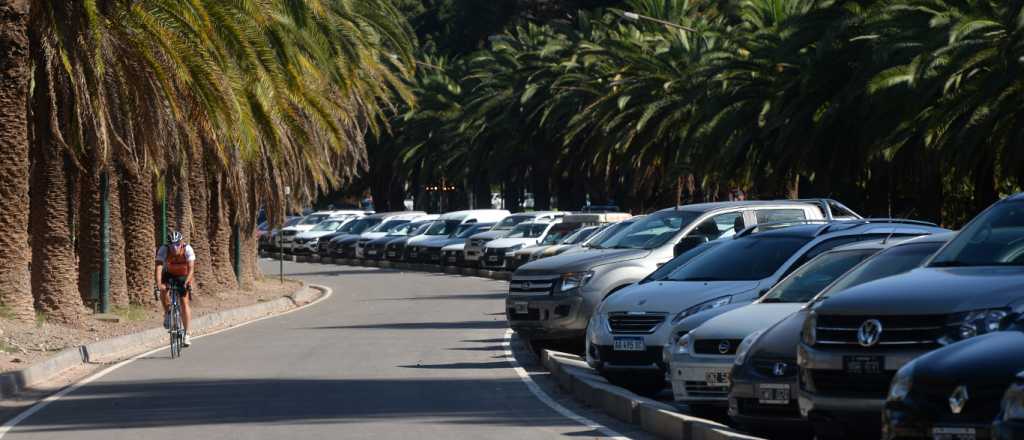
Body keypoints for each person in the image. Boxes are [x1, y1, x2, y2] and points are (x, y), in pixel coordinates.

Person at [155, 231, 195, 347]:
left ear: (181, 243)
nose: (174, 247)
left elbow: (191, 268)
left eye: (177, 244)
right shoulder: (164, 249)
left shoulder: (188, 249)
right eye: (172, 245)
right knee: (163, 289)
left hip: (184, 275)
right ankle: (168, 312)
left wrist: (187, 282)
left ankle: (187, 333)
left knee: (184, 301)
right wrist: (159, 284)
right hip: (169, 274)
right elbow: (158, 267)